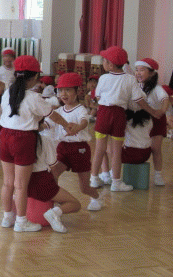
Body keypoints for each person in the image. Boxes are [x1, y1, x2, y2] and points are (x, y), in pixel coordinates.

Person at [0, 55, 74, 232]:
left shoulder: (8, 92)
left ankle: (7, 217)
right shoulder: (33, 97)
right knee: (20, 185)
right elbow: (52, 115)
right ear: (33, 77)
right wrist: (67, 125)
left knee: (8, 182)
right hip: (23, 139)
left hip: (4, 136)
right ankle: (21, 222)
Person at [89, 47, 156, 192]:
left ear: (110, 64)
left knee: (99, 149)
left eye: (104, 60)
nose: (103, 63)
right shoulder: (130, 79)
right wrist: (152, 111)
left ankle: (94, 179)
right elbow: (138, 100)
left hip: (103, 113)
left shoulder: (103, 78)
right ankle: (116, 182)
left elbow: (98, 97)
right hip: (119, 115)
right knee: (116, 151)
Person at [48, 73, 102, 211]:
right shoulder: (59, 111)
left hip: (80, 150)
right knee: (53, 174)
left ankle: (96, 197)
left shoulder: (81, 109)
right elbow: (49, 123)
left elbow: (84, 121)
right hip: (63, 148)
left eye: (68, 90)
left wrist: (78, 127)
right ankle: (54, 199)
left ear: (77, 91)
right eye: (60, 90)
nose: (63, 94)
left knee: (84, 187)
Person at [25, 134, 81, 233]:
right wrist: (54, 188)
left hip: (25, 181)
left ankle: (14, 217)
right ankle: (53, 213)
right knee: (75, 204)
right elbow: (54, 168)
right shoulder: (44, 139)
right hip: (42, 182)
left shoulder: (19, 138)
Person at [134, 58, 169, 186]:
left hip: (156, 120)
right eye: (137, 70)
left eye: (142, 70)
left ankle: (158, 175)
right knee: (139, 146)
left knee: (155, 148)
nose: (138, 73)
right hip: (142, 121)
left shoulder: (157, 88)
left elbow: (165, 99)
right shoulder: (136, 86)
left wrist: (161, 111)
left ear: (152, 73)